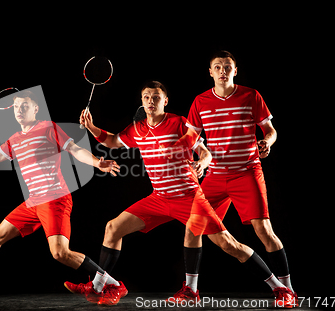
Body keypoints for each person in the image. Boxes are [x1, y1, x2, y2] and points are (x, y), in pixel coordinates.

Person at [67, 81, 293, 306]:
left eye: (156, 97)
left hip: (189, 198)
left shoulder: (179, 123)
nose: (150, 101)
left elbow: (204, 152)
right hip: (159, 198)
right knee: (112, 228)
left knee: (228, 244)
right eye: (146, 97)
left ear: (165, 101)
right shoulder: (137, 129)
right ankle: (102, 286)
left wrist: (203, 163)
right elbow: (112, 142)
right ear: (142, 101)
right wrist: (91, 127)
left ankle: (280, 287)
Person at [0, 90, 126, 306]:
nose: (19, 110)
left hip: (55, 199)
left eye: (25, 105)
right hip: (33, 201)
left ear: (36, 109)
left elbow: (74, 149)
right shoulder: (14, 139)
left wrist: (96, 162)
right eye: (16, 107)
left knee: (60, 253)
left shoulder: (48, 128)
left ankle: (113, 283)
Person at [187, 51, 296, 307]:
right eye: (217, 67)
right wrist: (198, 159)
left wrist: (267, 141)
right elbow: (192, 137)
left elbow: (270, 130)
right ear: (210, 72)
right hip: (215, 175)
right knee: (194, 228)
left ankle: (288, 290)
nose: (222, 70)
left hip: (246, 172)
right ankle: (191, 290)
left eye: (227, 66)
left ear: (235, 71)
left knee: (264, 231)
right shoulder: (200, 101)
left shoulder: (251, 96)